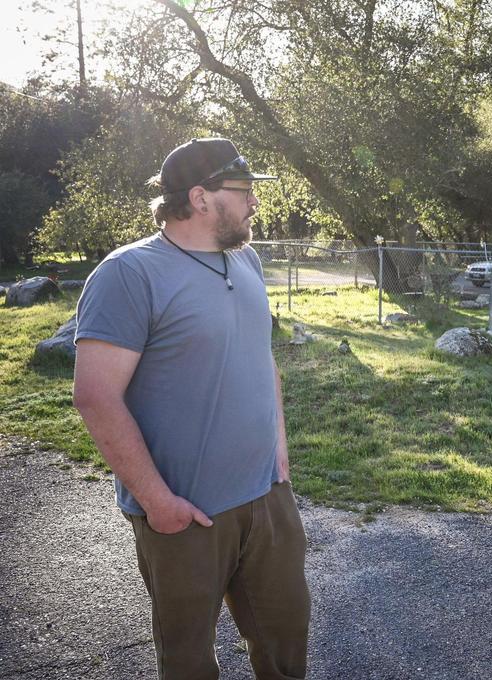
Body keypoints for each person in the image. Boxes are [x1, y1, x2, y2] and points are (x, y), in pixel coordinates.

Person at [73, 138, 310, 679]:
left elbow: (263, 358)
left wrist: (279, 453)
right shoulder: (128, 273)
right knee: (189, 662)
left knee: (286, 643)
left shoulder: (245, 258)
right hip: (185, 515)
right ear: (200, 198)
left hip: (267, 497)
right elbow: (95, 396)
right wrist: (158, 503)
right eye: (244, 190)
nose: (254, 202)